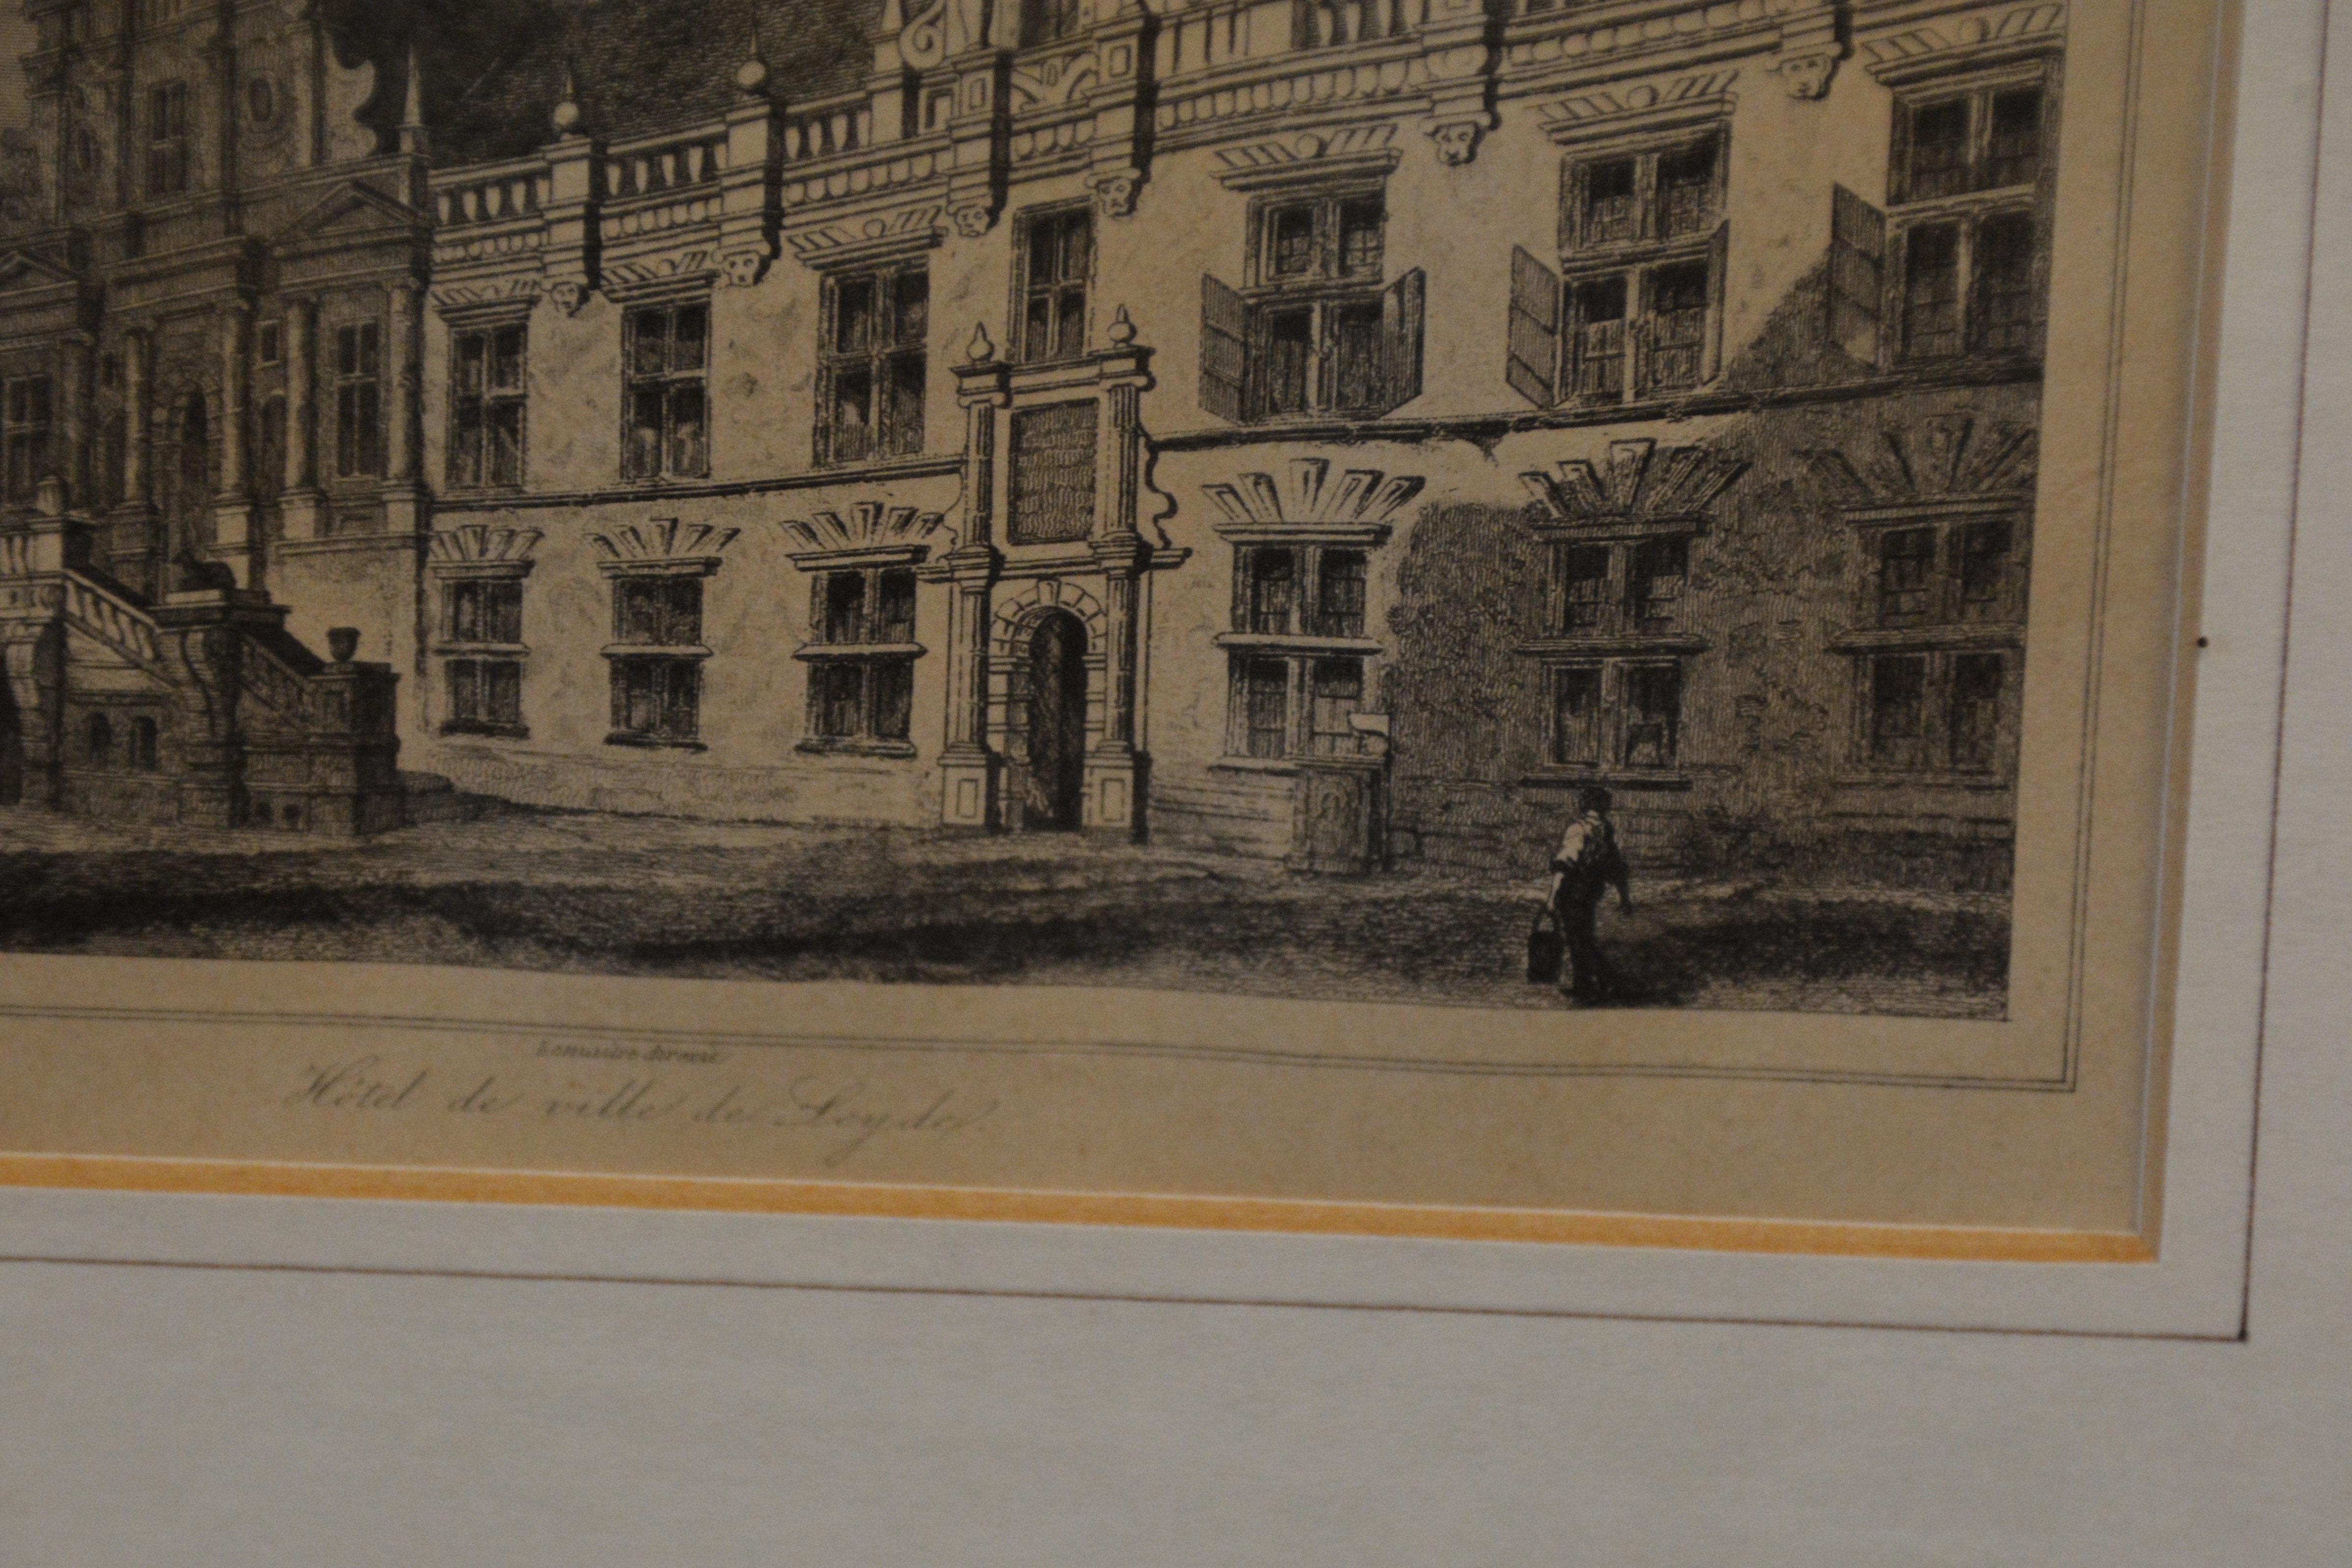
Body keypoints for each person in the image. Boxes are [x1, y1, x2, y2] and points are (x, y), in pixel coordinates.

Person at [1546, 785, 1633, 1005]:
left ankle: (1605, 982)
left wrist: (1551, 898)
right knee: (1583, 937)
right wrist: (1624, 898)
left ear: (1584, 804)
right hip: (1592, 891)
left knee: (1579, 940)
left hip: (1572, 891)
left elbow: (1564, 864)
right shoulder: (1605, 830)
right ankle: (1586, 984)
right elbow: (1617, 867)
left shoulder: (1578, 829)